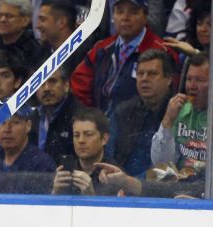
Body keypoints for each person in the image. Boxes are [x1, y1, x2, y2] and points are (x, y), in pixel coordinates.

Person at [70, 0, 178, 116]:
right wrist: (93, 119)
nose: (125, 18)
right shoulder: (101, 49)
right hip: (100, 126)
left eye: (133, 12)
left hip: (141, 126)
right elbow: (79, 88)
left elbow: (169, 98)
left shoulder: (162, 52)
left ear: (145, 16)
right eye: (119, 12)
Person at [108, 49, 174, 176]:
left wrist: (135, 183)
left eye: (152, 74)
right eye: (140, 73)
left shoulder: (178, 112)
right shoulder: (123, 111)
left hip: (162, 189)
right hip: (120, 185)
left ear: (169, 79)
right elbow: (108, 153)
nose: (144, 79)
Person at [52, 107, 141, 195]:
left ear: (104, 139)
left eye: (88, 134)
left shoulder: (115, 176)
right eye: (76, 135)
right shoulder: (66, 173)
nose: (81, 140)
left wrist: (91, 197)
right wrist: (55, 193)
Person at [0, 107, 57, 194]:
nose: (7, 129)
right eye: (1, 123)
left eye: (15, 123)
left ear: (28, 126)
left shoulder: (42, 164)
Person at [150, 51, 209, 182]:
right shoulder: (178, 110)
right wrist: (167, 121)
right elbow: (161, 164)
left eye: (199, 80)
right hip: (177, 185)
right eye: (189, 79)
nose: (191, 86)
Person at [30, 66, 82, 165]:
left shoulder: (79, 116)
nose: (46, 88)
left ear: (66, 85)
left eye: (52, 81)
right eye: (40, 83)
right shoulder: (31, 117)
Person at [0, 0, 41, 68]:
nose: (2, 20)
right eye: (0, 15)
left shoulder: (34, 52)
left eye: (8, 16)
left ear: (25, 21)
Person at [36, 0, 87, 70]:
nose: (37, 26)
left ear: (62, 22)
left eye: (43, 20)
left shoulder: (85, 55)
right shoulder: (40, 53)